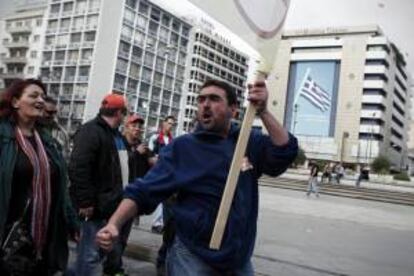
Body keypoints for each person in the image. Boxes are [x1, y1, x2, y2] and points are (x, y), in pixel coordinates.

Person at [96, 79, 298, 275]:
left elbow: (284, 152)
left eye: (214, 99)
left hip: (238, 259)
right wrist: (114, 224)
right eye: (201, 100)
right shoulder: (183, 148)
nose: (205, 105)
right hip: (193, 256)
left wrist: (263, 111)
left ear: (233, 109)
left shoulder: (247, 141)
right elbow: (143, 190)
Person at [0, 79, 78, 275]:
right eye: (33, 95)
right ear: (16, 102)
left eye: (42, 96)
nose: (40, 100)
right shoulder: (3, 136)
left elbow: (60, 187)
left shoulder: (48, 142)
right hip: (8, 231)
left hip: (44, 233)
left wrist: (71, 220)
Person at [68, 93, 129, 276]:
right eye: (124, 113)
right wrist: (85, 202)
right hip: (94, 209)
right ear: (120, 113)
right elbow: (78, 167)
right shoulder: (91, 131)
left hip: (112, 207)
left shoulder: (115, 135)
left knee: (99, 253)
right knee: (89, 255)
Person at [148, 115, 176, 234]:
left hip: (166, 172)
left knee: (164, 199)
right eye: (169, 123)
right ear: (163, 123)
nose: (170, 126)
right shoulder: (155, 138)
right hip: (156, 171)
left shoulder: (172, 140)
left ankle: (159, 223)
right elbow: (149, 154)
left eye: (172, 124)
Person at [38, 96, 71, 161]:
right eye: (49, 112)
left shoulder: (62, 132)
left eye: (55, 112)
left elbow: (65, 156)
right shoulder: (30, 130)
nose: (53, 116)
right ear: (39, 110)